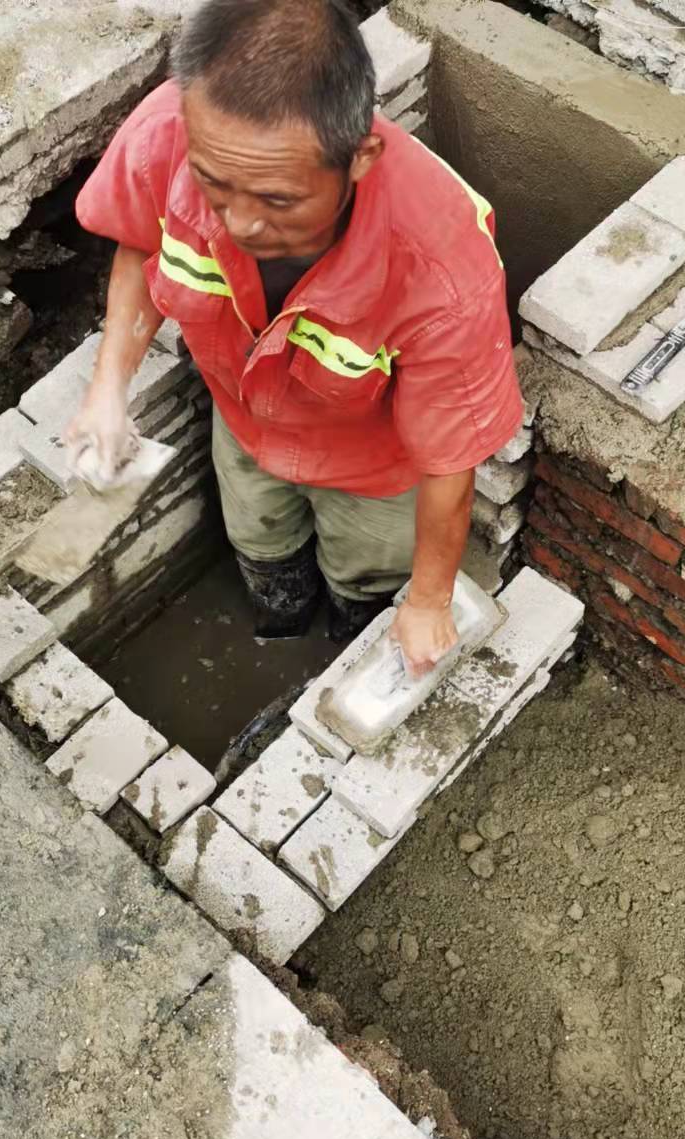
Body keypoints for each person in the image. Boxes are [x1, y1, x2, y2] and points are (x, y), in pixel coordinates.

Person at [70, 0, 522, 674]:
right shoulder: (169, 134)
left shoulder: (440, 269)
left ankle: (346, 631)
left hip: (373, 469)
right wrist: (108, 390)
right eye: (216, 187)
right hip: (245, 424)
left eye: (278, 199)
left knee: (363, 585)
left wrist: (428, 599)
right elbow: (141, 246)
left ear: (360, 157)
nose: (242, 224)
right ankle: (280, 627)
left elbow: (449, 458)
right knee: (261, 548)